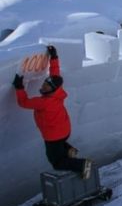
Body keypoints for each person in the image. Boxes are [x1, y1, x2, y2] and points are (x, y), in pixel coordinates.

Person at [13, 45, 92, 179]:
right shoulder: (58, 92)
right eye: (44, 83)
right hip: (64, 131)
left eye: (46, 86)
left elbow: (24, 103)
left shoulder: (42, 102)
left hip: (53, 137)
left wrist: (19, 87)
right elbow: (55, 74)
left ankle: (82, 165)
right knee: (60, 146)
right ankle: (68, 150)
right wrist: (54, 57)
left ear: (51, 89)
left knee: (57, 162)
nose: (42, 86)